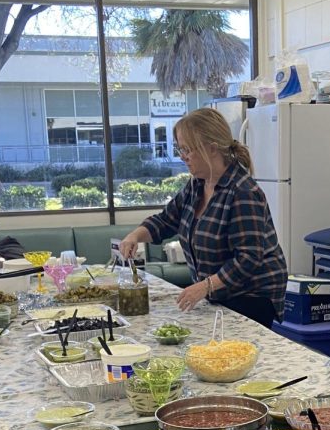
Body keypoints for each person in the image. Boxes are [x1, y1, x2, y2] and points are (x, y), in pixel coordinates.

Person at [117, 107, 288, 328]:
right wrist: (134, 236)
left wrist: (205, 286)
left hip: (252, 296)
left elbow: (247, 259)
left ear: (212, 149)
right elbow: (167, 220)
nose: (183, 157)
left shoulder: (243, 192)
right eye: (180, 149)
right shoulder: (197, 185)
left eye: (188, 149)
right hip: (219, 292)